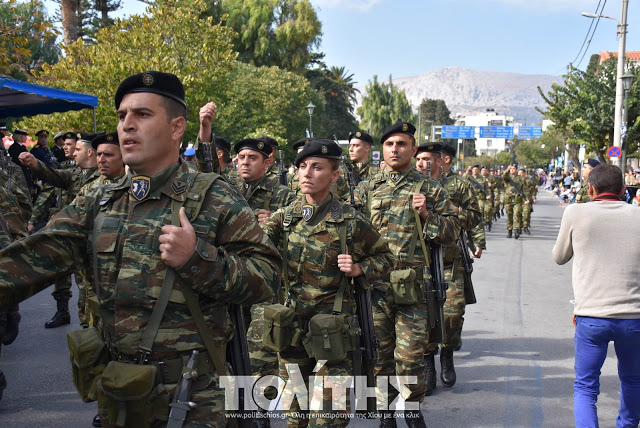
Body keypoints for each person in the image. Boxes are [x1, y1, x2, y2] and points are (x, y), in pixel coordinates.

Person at [0, 71, 280, 427]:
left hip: (194, 398)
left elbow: (268, 277)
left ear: (177, 128)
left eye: (142, 115)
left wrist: (198, 260)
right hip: (121, 393)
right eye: (122, 116)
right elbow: (32, 257)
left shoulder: (212, 196)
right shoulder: (101, 200)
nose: (127, 125)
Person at [261, 139, 392, 428]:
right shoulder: (284, 218)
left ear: (334, 175)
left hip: (332, 332)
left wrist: (359, 268)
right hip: (292, 327)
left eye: (317, 167)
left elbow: (386, 258)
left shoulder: (349, 220)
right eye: (302, 166)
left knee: (329, 418)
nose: (306, 173)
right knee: (295, 416)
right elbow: (252, 245)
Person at [354, 121, 459, 428]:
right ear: (382, 151)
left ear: (413, 150)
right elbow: (349, 232)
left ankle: (412, 408)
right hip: (374, 286)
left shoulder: (430, 188)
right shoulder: (365, 189)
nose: (395, 149)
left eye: (402, 144)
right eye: (390, 144)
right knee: (379, 355)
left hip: (413, 287)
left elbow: (452, 233)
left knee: (411, 355)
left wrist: (427, 214)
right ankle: (386, 413)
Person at [552, 164, 640, 428]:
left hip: (591, 316)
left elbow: (559, 257)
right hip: (633, 317)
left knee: (586, 386)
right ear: (623, 190)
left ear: (590, 188)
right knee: (634, 380)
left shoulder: (575, 212)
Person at [415, 143, 482, 394]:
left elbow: (475, 216)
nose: (421, 163)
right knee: (424, 317)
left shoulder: (458, 186)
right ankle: (428, 362)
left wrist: (452, 211)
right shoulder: (411, 186)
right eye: (418, 158)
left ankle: (447, 352)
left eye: (426, 159)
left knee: (452, 314)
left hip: (450, 260)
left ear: (440, 161)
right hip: (420, 263)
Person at [19, 132, 102, 328]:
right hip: (67, 236)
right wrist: (35, 164)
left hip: (90, 240)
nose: (69, 150)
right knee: (63, 278)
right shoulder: (74, 173)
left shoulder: (104, 177)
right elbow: (54, 178)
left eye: (75, 147)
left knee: (88, 286)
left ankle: (89, 328)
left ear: (89, 152)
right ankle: (71, 316)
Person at [503, 164, 526, 239]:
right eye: (511, 169)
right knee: (509, 216)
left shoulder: (521, 179)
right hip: (508, 199)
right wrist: (507, 170)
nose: (512, 170)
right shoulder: (507, 177)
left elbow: (524, 189)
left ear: (516, 170)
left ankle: (516, 230)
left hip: (517, 200)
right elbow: (503, 176)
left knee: (516, 215)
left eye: (514, 169)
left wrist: (526, 199)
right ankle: (509, 231)